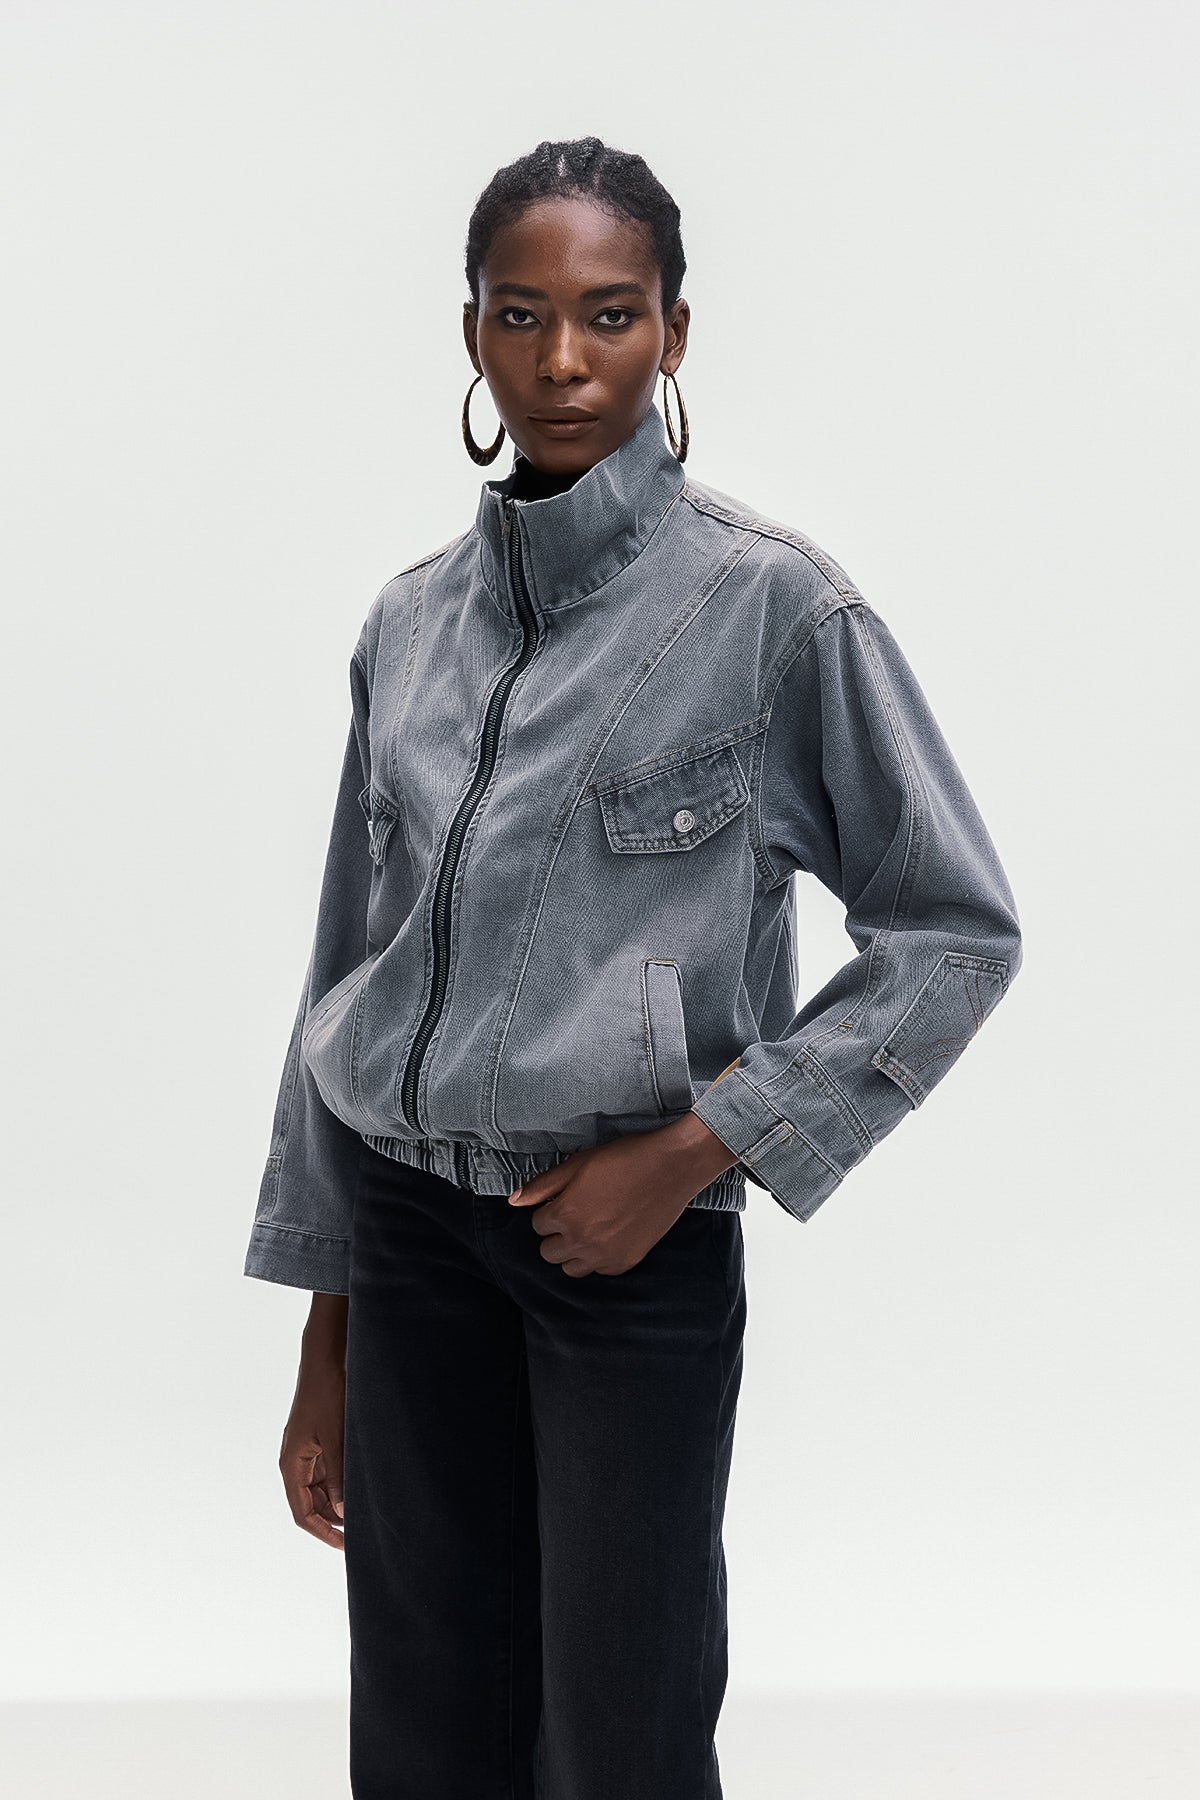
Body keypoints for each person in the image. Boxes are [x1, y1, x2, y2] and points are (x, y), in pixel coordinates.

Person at [243, 136, 1023, 1800]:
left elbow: (954, 929)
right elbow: (345, 978)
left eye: (610, 314)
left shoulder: (773, 609)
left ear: (675, 331)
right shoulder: (408, 628)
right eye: (520, 314)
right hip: (407, 1239)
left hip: (628, 1252)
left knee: (621, 1739)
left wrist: (694, 1152)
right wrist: (328, 1326)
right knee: (424, 1734)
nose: (563, 360)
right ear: (471, 332)